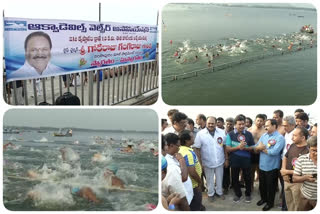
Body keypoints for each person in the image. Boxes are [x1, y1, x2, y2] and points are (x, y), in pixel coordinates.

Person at [255, 119, 285, 211]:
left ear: (274, 126)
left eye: (267, 125)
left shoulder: (279, 138)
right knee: (262, 185)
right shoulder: (264, 136)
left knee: (271, 186)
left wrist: (262, 148)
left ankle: (270, 203)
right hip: (262, 165)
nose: (265, 127)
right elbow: (256, 147)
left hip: (272, 167)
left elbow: (275, 151)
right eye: (265, 125)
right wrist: (259, 148)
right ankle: (263, 199)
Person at [194, 116, 226, 201]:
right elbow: (197, 149)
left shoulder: (222, 132)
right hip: (207, 161)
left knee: (219, 178)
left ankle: (219, 192)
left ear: (216, 123)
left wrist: (226, 159)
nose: (211, 125)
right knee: (209, 179)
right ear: (206, 123)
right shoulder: (200, 134)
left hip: (220, 160)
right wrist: (200, 162)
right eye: (209, 123)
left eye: (213, 123)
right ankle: (210, 194)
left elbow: (225, 146)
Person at [226, 115, 255, 203]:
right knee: (234, 178)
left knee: (248, 178)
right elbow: (227, 149)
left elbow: (252, 147)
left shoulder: (249, 134)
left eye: (243, 124)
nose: (242, 126)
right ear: (235, 124)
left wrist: (245, 148)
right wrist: (238, 147)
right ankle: (238, 194)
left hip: (246, 160)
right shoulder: (230, 134)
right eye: (239, 124)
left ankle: (248, 194)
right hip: (234, 160)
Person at [280, 127, 309, 211]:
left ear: (303, 138)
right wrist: (283, 171)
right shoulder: (292, 145)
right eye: (292, 135)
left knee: (298, 205)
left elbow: (304, 171)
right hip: (287, 181)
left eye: (295, 135)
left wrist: (286, 171)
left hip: (298, 183)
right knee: (289, 204)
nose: (292, 137)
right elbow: (285, 157)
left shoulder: (308, 151)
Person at [162, 134, 190, 211]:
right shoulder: (171, 168)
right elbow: (180, 201)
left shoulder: (174, 156)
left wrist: (169, 201)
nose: (179, 148)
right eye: (178, 146)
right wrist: (172, 204)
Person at [179, 130, 204, 211]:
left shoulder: (181, 149)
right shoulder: (188, 153)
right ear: (187, 140)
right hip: (194, 185)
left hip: (188, 185)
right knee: (196, 204)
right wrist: (200, 182)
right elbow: (192, 172)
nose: (194, 138)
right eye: (192, 137)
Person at [293, 136, 317, 211]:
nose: (317, 153)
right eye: (314, 150)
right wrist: (305, 178)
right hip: (305, 197)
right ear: (308, 148)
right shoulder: (302, 159)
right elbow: (294, 178)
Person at [247, 114, 266, 187]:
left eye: (261, 121)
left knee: (260, 171)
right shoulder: (249, 130)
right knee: (251, 171)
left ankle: (261, 188)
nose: (259, 122)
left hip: (261, 153)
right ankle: (250, 186)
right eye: (258, 120)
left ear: (263, 122)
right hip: (251, 153)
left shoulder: (265, 131)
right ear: (255, 121)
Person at [223, 117, 234, 194]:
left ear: (233, 124)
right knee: (225, 171)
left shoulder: (235, 133)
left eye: (231, 124)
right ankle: (225, 187)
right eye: (228, 124)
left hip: (233, 155)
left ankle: (234, 185)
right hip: (224, 155)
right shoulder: (221, 133)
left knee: (234, 171)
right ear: (225, 124)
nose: (229, 125)